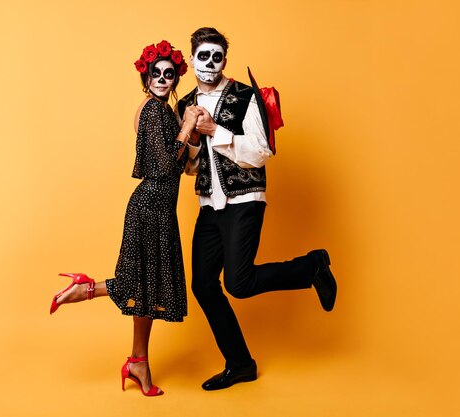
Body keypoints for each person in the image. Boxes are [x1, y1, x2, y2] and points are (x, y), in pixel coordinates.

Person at [178, 27, 338, 391]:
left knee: (239, 282)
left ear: (225, 60)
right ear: (191, 60)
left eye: (217, 56)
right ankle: (240, 364)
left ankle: (312, 266)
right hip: (209, 204)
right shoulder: (184, 103)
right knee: (203, 285)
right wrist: (189, 136)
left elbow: (260, 153)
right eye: (203, 56)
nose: (210, 63)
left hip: (244, 200)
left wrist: (215, 129)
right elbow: (190, 167)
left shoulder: (245, 96)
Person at [49, 40, 196, 397]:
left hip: (157, 207)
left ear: (175, 78)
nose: (162, 79)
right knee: (142, 286)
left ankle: (138, 363)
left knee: (144, 289)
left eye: (169, 74)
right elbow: (163, 167)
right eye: (155, 73)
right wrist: (188, 126)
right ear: (146, 76)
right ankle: (85, 289)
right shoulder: (155, 112)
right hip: (149, 207)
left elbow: (179, 163)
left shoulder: (161, 109)